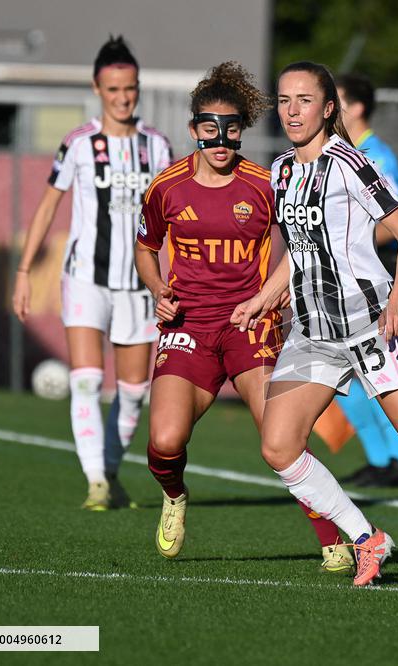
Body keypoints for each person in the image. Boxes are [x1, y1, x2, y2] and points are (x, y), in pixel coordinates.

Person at [231, 60, 398, 587]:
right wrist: (265, 296)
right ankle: (366, 537)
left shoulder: (349, 161)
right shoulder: (280, 170)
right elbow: (298, 252)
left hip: (371, 327)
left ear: (328, 109)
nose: (292, 111)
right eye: (284, 101)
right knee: (278, 447)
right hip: (315, 335)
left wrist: (397, 300)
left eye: (304, 101)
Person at [134, 61, 289, 560]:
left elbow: (302, 243)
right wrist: (158, 286)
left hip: (251, 322)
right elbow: (145, 246)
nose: (221, 140)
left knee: (281, 438)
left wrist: (279, 287)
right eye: (209, 129)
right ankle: (175, 497)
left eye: (232, 129)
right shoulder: (168, 187)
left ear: (242, 131)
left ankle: (333, 540)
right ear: (194, 130)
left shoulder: (267, 185)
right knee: (165, 439)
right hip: (189, 326)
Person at [12, 36, 172, 510]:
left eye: (131, 88)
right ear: (97, 89)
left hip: (139, 285)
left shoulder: (157, 146)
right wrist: (24, 270)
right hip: (85, 277)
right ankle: (96, 481)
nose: (123, 97)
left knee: (132, 392)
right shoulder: (79, 143)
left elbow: (174, 214)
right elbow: (47, 207)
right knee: (85, 379)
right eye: (114, 89)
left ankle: (107, 472)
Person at [331, 72, 398, 487]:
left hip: (381, 273)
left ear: (356, 107)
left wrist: (348, 242)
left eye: (335, 101)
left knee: (378, 370)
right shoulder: (338, 152)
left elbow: (395, 221)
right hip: (346, 277)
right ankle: (381, 458)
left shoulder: (374, 154)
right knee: (343, 372)